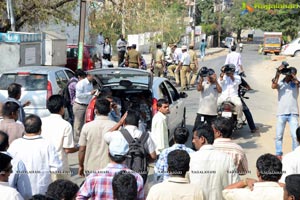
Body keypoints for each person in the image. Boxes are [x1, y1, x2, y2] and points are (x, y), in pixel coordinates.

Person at [8, 114, 62, 196]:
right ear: (40, 129)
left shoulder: (15, 144)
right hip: (41, 190)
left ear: (24, 128)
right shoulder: (47, 144)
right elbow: (57, 168)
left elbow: (8, 165)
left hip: (19, 190)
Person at [76, 137, 144, 200]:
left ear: (108, 152)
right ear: (127, 155)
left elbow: (79, 197)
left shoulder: (94, 176)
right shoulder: (136, 177)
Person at [189, 123, 240, 200]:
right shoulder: (226, 158)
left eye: (194, 138)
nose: (193, 141)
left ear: (202, 139)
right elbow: (235, 186)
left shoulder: (192, 158)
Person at [104, 109, 156, 183]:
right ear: (138, 123)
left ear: (124, 122)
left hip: (120, 175)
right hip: (139, 175)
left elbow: (106, 135)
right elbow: (153, 156)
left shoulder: (117, 134)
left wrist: (119, 123)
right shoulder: (146, 136)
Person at [41, 95, 79, 180]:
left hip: (43, 163)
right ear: (62, 108)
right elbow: (68, 149)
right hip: (59, 165)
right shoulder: (66, 125)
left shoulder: (42, 121)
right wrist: (78, 147)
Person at [78, 98, 116, 177]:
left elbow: (82, 149)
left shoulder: (87, 127)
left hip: (91, 167)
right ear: (109, 110)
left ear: (95, 111)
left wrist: (81, 165)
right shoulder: (115, 126)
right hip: (109, 169)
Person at [272, 66, 300, 158]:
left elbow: (299, 84)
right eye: (288, 74)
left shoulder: (296, 82)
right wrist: (278, 73)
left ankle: (295, 154)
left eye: (291, 74)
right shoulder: (280, 82)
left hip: (293, 113)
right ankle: (278, 154)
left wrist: (294, 77)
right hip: (281, 113)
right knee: (279, 135)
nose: (289, 76)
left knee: (295, 136)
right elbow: (273, 86)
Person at [0, 131, 32, 199]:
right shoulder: (16, 161)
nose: (11, 172)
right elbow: (26, 193)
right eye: (9, 170)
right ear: (7, 145)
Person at [73, 73, 96, 143]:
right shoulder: (81, 83)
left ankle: (84, 139)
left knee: (86, 123)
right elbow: (78, 95)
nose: (94, 77)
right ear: (88, 75)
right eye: (93, 76)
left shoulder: (90, 83)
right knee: (78, 124)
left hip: (87, 105)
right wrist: (90, 93)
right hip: (80, 105)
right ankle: (77, 141)